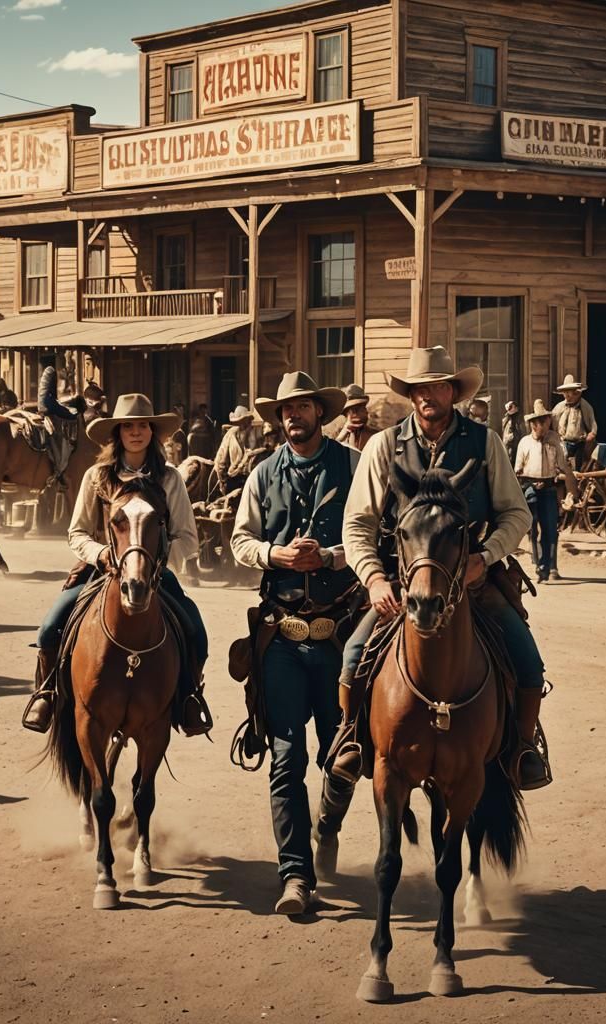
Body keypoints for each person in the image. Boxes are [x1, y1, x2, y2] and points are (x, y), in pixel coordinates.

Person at [338, 346, 551, 792]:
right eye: (418, 389)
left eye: (436, 386)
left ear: (452, 391)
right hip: (403, 585)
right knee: (354, 657)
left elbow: (516, 514)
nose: (426, 396)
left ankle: (523, 749)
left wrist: (485, 557)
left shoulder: (485, 441)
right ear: (410, 395)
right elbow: (358, 522)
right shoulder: (384, 444)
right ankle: (351, 738)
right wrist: (375, 579)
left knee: (528, 662)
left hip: (473, 582)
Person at [230, 372, 360, 915]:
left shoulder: (353, 467)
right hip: (281, 635)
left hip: (339, 636)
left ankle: (327, 825)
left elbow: (375, 533)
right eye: (286, 409)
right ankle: (295, 877)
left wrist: (330, 557)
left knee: (341, 757)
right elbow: (239, 541)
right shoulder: (262, 473)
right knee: (287, 758)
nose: (294, 416)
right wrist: (277, 556)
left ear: (319, 412)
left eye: (303, 406)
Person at [23, 393, 211, 736]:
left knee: (196, 631)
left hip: (153, 573)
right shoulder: (97, 477)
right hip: (103, 569)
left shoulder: (170, 479)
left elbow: (187, 537)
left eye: (142, 425)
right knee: (50, 626)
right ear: (118, 432)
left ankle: (189, 698)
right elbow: (77, 533)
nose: (136, 432)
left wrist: (156, 563)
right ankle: (46, 692)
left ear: (153, 432)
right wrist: (100, 554)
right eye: (128, 426)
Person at [515, 400, 580, 583]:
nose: (542, 426)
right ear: (532, 424)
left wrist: (571, 493)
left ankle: (549, 566)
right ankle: (539, 564)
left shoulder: (556, 441)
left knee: (550, 529)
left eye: (545, 421)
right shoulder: (524, 443)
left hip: (549, 488)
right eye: (538, 423)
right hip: (529, 488)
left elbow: (565, 468)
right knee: (532, 529)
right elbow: (517, 470)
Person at [37, 353, 80, 486]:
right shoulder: (51, 372)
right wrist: (68, 414)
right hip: (48, 412)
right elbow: (48, 401)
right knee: (58, 440)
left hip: (46, 409)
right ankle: (59, 470)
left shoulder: (46, 372)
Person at [214, 406, 263, 494]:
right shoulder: (231, 434)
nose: (243, 424)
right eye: (239, 422)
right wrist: (222, 480)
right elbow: (221, 458)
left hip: (253, 478)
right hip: (234, 478)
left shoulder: (257, 433)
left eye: (245, 420)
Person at [552, 374, 597, 469]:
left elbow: (593, 426)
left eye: (569, 392)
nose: (567, 395)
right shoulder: (559, 408)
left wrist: (591, 434)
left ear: (576, 393)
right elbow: (552, 424)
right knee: (562, 465)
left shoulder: (585, 407)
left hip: (580, 444)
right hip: (563, 443)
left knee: (579, 467)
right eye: (565, 392)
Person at [335, 383, 378, 452]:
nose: (365, 411)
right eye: (348, 412)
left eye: (363, 407)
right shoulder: (338, 432)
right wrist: (342, 435)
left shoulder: (374, 436)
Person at [501, 400, 526, 465]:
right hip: (508, 448)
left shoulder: (520, 421)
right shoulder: (506, 421)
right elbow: (505, 436)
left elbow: (522, 433)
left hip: (517, 447)